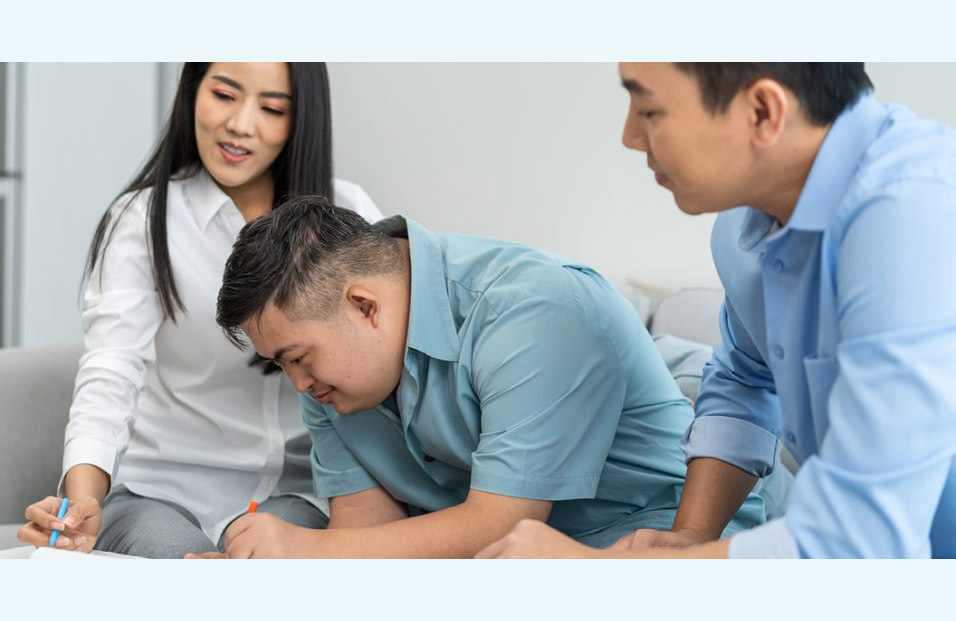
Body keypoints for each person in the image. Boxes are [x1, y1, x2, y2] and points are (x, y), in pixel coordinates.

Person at [477, 62, 956, 559]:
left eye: (648, 109)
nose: (630, 136)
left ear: (763, 112)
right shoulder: (744, 227)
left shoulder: (912, 215)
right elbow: (745, 381)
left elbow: (858, 541)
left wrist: (596, 570)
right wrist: (691, 534)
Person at [204, 195, 786, 559]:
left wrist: (312, 555)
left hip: (655, 535)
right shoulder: (331, 380)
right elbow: (368, 544)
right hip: (503, 563)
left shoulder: (531, 308)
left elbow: (502, 520)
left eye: (298, 358)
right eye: (282, 364)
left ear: (365, 305)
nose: (298, 384)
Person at [16, 63, 383, 558]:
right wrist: (82, 501)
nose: (240, 124)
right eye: (224, 95)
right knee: (176, 565)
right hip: (159, 493)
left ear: (301, 120)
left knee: (279, 566)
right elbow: (111, 372)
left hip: (296, 493)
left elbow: (386, 358)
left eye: (272, 108)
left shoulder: (349, 210)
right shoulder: (143, 219)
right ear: (191, 94)